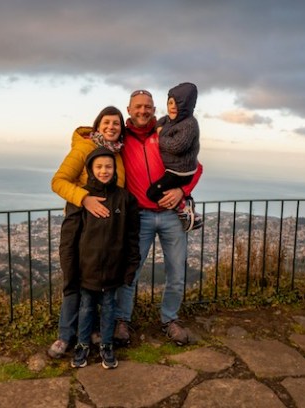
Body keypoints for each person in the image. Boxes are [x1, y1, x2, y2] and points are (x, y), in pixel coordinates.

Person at [114, 89, 202, 346]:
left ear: (154, 109)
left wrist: (181, 191)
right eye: (138, 106)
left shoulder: (167, 133)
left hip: (172, 215)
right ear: (128, 110)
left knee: (176, 272)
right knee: (131, 271)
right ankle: (122, 320)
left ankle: (170, 319)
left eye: (148, 106)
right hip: (138, 216)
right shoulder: (120, 138)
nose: (143, 111)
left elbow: (196, 167)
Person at [48, 106, 127, 359]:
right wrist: (85, 199)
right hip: (79, 222)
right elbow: (58, 181)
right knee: (74, 279)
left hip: (105, 229)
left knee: (96, 284)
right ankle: (65, 335)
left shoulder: (118, 154)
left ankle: (91, 332)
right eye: (106, 122)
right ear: (97, 125)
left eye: (116, 123)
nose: (111, 127)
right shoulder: (84, 148)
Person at [59, 147, 140, 369]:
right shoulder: (81, 197)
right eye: (99, 166)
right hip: (87, 268)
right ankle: (83, 344)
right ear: (90, 170)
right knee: (86, 307)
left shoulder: (125, 199)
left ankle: (106, 345)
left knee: (109, 307)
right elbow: (69, 238)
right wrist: (70, 270)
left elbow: (133, 237)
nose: (104, 171)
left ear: (115, 170)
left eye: (109, 166)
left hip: (114, 268)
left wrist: (131, 266)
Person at [147, 82, 202, 232]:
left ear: (186, 106)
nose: (172, 107)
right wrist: (158, 126)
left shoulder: (189, 124)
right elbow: (159, 122)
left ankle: (184, 208)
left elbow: (177, 146)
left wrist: (159, 135)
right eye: (170, 102)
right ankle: (186, 203)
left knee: (152, 193)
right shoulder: (169, 120)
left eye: (177, 104)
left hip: (179, 171)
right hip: (173, 170)